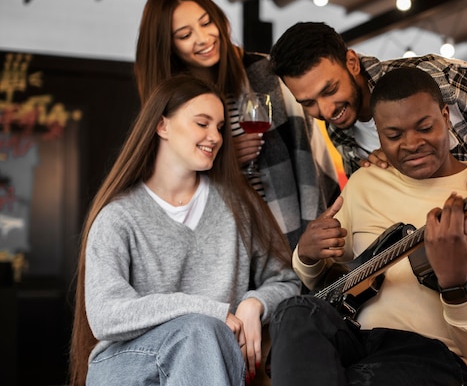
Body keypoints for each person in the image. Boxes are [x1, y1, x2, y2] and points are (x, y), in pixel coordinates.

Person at [269, 67, 467, 386]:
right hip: (358, 345)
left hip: (436, 359)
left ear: (446, 117)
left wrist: (455, 282)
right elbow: (333, 279)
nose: (411, 144)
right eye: (394, 135)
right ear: (378, 134)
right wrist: (307, 256)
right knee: (293, 312)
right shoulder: (364, 182)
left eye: (425, 127)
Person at [269, 21, 467, 297]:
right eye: (308, 103)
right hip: (428, 271)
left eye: (330, 90)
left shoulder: (434, 77)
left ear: (352, 63)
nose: (326, 110)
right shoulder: (339, 125)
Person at [69, 75, 300, 386]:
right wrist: (207, 310)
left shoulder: (239, 205)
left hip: (210, 361)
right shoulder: (118, 217)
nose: (215, 137)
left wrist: (254, 304)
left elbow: (286, 279)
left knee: (204, 334)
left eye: (220, 127)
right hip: (127, 367)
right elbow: (106, 315)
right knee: (200, 330)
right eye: (202, 123)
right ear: (162, 126)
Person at [134, 0, 340, 248]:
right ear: (168, 46)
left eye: (206, 22)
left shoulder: (266, 74)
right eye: (185, 35)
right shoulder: (169, 105)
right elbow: (166, 185)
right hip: (224, 241)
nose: (204, 38)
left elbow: (309, 151)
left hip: (286, 229)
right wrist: (224, 160)